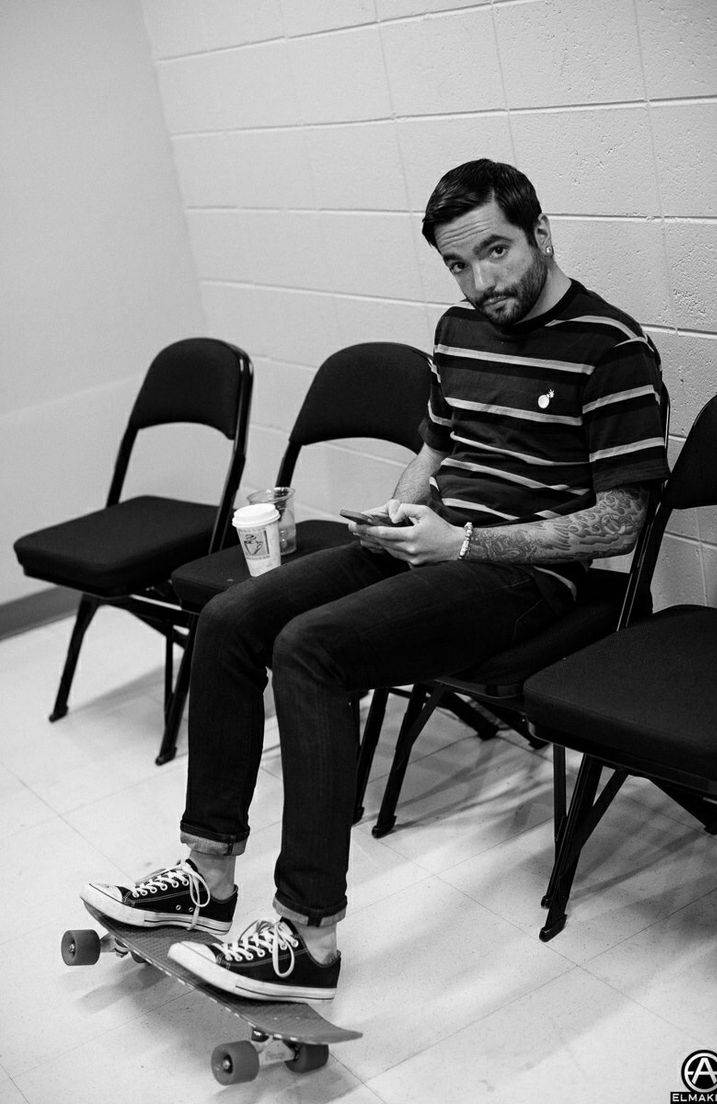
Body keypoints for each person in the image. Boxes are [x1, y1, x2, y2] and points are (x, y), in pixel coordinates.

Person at [82, 159, 668, 1003]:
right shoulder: (458, 329)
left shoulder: (610, 347)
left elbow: (621, 521)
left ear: (542, 232)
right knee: (231, 618)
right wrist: (402, 513)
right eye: (459, 265)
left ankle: (305, 937)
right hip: (432, 543)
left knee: (311, 649)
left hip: (527, 575)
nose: (481, 281)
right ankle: (207, 880)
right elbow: (435, 446)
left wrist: (464, 543)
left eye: (496, 252)